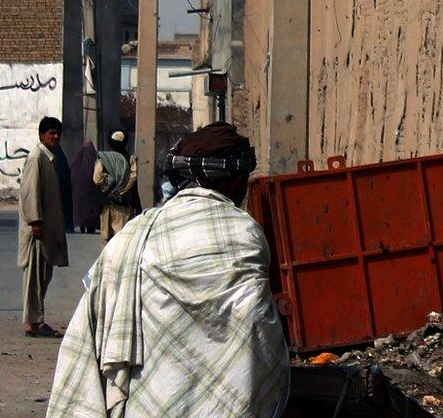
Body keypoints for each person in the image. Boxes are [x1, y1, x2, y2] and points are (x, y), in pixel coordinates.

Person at [47, 121, 289, 418]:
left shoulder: (133, 237)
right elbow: (263, 343)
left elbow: (89, 331)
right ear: (236, 183)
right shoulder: (245, 236)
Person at [18, 116, 72, 338]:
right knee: (34, 277)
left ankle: (37, 319)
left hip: (47, 228)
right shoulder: (36, 158)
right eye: (51, 133)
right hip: (37, 229)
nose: (55, 137)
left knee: (43, 276)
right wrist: (36, 221)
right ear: (41, 135)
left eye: (58, 133)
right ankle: (33, 322)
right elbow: (29, 192)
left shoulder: (51, 158)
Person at [95, 131, 141, 242]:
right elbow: (133, 178)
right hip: (123, 205)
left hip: (107, 204)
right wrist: (120, 192)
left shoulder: (103, 158)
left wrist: (107, 191)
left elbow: (97, 178)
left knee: (106, 239)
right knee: (122, 240)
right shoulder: (130, 159)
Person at [70, 136, 100, 235]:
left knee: (81, 209)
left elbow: (72, 176)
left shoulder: (76, 163)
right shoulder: (95, 162)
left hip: (79, 193)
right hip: (92, 193)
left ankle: (82, 225)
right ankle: (90, 226)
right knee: (90, 210)